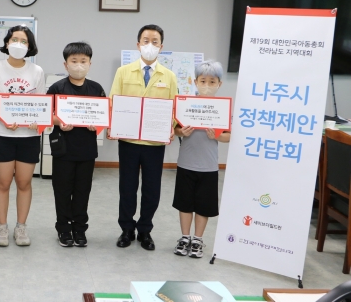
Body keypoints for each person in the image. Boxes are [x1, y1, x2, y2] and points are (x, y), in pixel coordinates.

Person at [107, 24, 177, 251]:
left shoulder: (169, 76)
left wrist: (172, 127)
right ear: (138, 44)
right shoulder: (123, 72)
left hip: (154, 143)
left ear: (161, 47)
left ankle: (145, 230)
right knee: (127, 187)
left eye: (155, 41)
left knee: (151, 189)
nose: (150, 45)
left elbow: (174, 108)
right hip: (128, 141)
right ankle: (126, 228)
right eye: (145, 40)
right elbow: (113, 102)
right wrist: (113, 125)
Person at [0, 25, 45, 247]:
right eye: (14, 39)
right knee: (3, 182)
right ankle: (2, 227)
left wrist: (38, 119)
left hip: (28, 136)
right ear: (7, 42)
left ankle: (21, 227)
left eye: (24, 41)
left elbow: (41, 105)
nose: (19, 44)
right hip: (2, 133)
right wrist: (3, 118)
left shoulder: (36, 71)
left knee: (24, 182)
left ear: (30, 46)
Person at [47, 42, 105, 248]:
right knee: (62, 191)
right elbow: (47, 114)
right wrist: (59, 122)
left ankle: (80, 229)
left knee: (83, 191)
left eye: (83, 61)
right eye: (74, 61)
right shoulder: (57, 88)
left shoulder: (96, 88)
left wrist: (95, 125)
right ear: (66, 64)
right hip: (63, 149)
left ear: (90, 64)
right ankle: (63, 229)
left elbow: (103, 116)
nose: (78, 65)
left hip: (86, 150)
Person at [172, 60, 230, 258]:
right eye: (203, 80)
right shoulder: (186, 104)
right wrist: (183, 132)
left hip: (209, 165)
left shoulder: (222, 108)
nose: (207, 85)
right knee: (184, 203)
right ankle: (185, 237)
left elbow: (228, 136)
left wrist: (217, 136)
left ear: (219, 84)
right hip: (186, 162)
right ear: (195, 81)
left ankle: (198, 239)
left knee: (203, 204)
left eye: (212, 82)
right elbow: (175, 130)